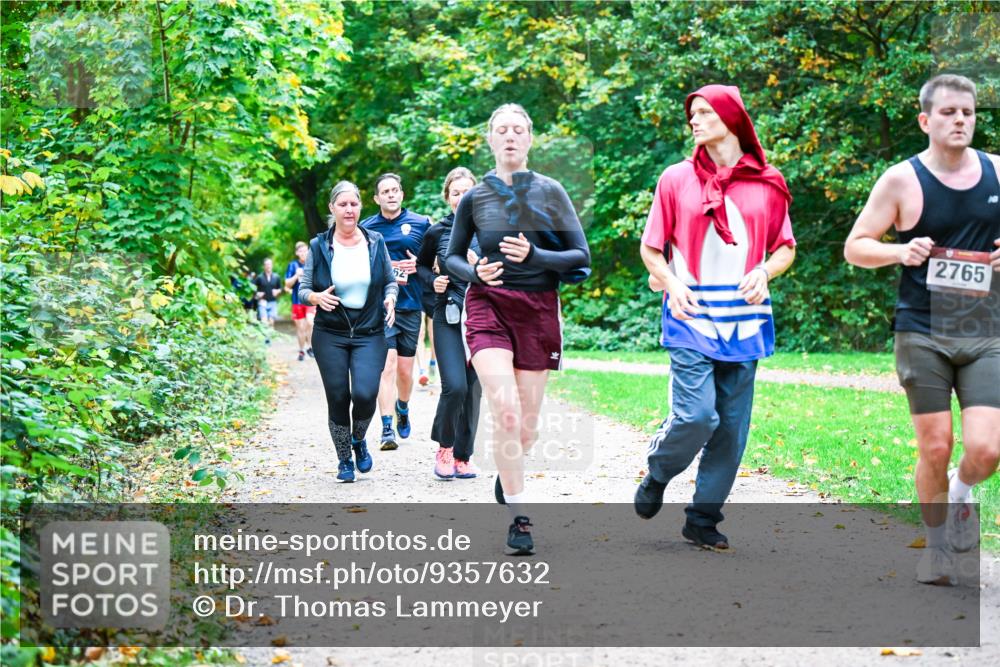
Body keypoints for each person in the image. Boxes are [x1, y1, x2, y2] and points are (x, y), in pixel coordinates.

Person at [844, 74, 1000, 585]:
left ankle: (960, 490)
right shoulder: (901, 180)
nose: (960, 120)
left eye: (968, 112)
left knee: (987, 450)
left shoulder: (998, 172)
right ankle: (936, 548)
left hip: (987, 330)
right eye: (949, 112)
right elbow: (856, 246)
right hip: (922, 329)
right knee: (935, 446)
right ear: (925, 120)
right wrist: (899, 251)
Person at [634, 84, 796, 550]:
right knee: (697, 417)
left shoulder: (768, 182)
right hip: (689, 316)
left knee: (730, 429)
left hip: (745, 323)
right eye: (693, 113)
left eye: (705, 112)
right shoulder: (675, 178)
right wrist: (672, 282)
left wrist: (765, 271)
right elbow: (650, 248)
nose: (695, 120)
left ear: (731, 118)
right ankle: (659, 472)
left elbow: (785, 247)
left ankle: (702, 519)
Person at [446, 104, 591, 554]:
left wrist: (536, 257)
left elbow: (580, 256)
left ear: (529, 139)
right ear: (490, 139)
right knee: (505, 412)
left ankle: (507, 477)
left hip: (538, 311)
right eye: (502, 130)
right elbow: (452, 257)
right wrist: (474, 274)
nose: (510, 136)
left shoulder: (551, 192)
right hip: (487, 305)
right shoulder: (475, 198)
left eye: (518, 130)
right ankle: (519, 517)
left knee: (525, 429)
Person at [298, 181, 398, 482]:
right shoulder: (319, 246)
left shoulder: (375, 241)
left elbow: (390, 280)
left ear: (360, 206)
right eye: (342, 204)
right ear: (332, 208)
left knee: (366, 394)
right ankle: (344, 459)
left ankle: (358, 439)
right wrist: (315, 297)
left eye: (353, 204)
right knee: (338, 396)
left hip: (370, 332)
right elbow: (304, 289)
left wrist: (390, 297)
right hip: (330, 333)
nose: (349, 210)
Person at [417, 167, 483, 480]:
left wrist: (478, 264)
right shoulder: (436, 232)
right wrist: (433, 281)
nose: (461, 198)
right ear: (447, 197)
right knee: (455, 386)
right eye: (455, 193)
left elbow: (505, 271)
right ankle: (445, 448)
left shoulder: (489, 231)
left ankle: (463, 456)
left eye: (466, 192)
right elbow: (420, 266)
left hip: (482, 318)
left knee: (473, 390)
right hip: (448, 314)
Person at [360, 174, 431, 450]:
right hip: (380, 308)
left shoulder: (421, 223)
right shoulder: (367, 228)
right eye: (385, 192)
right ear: (376, 198)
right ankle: (387, 428)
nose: (390, 195)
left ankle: (403, 407)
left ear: (402, 194)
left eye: (394, 190)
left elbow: (436, 259)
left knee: (404, 372)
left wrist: (420, 265)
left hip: (411, 305)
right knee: (386, 366)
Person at [285, 241, 316, 361]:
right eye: (301, 251)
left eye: (305, 251)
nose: (303, 253)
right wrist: (296, 276)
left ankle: (310, 347)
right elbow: (287, 284)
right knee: (301, 327)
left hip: (310, 299)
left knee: (310, 322)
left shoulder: (312, 264)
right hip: (297, 301)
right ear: (297, 253)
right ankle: (302, 350)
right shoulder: (293, 265)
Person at [253, 259, 283, 344]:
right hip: (262, 302)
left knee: (271, 321)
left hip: (272, 302)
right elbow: (253, 288)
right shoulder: (259, 277)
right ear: (264, 266)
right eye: (266, 264)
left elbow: (280, 288)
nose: (268, 266)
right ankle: (265, 339)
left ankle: (268, 337)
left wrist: (277, 291)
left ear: (272, 265)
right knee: (264, 321)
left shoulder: (276, 277)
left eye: (270, 264)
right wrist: (257, 293)